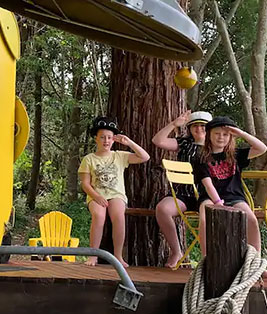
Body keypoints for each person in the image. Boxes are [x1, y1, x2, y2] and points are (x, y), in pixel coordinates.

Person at [78, 116, 150, 267]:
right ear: (96, 139)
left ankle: (117, 255)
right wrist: (96, 197)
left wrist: (128, 142)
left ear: (113, 140)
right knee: (98, 216)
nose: (106, 141)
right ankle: (93, 255)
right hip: (96, 195)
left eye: (109, 138)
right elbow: (85, 184)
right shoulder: (89, 159)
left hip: (116, 195)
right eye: (102, 137)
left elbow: (145, 157)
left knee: (118, 215)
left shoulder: (119, 156)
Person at [195, 116, 267, 260]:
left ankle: (255, 261)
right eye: (217, 133)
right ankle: (206, 260)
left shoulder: (236, 155)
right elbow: (207, 184)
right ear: (209, 134)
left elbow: (262, 148)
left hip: (234, 197)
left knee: (251, 219)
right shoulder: (201, 157)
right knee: (205, 219)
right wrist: (218, 203)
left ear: (231, 137)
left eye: (225, 134)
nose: (221, 137)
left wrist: (241, 133)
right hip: (211, 198)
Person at [152, 110, 212, 268]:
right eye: (195, 126)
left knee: (208, 216)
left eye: (203, 126)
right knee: (162, 209)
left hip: (208, 195)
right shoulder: (185, 144)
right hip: (184, 194)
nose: (199, 129)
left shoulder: (218, 145)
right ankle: (176, 251)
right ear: (190, 129)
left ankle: (207, 259)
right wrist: (174, 124)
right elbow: (158, 140)